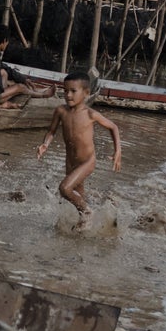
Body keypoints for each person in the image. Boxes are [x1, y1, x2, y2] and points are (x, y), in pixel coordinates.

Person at [36, 72, 122, 229]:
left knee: (64, 188)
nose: (68, 95)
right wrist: (45, 144)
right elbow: (51, 131)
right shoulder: (61, 111)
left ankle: (88, 213)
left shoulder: (90, 114)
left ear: (86, 93)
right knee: (78, 196)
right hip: (71, 162)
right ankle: (103, 212)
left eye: (73, 91)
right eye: (65, 90)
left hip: (87, 161)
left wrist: (118, 152)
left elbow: (113, 127)